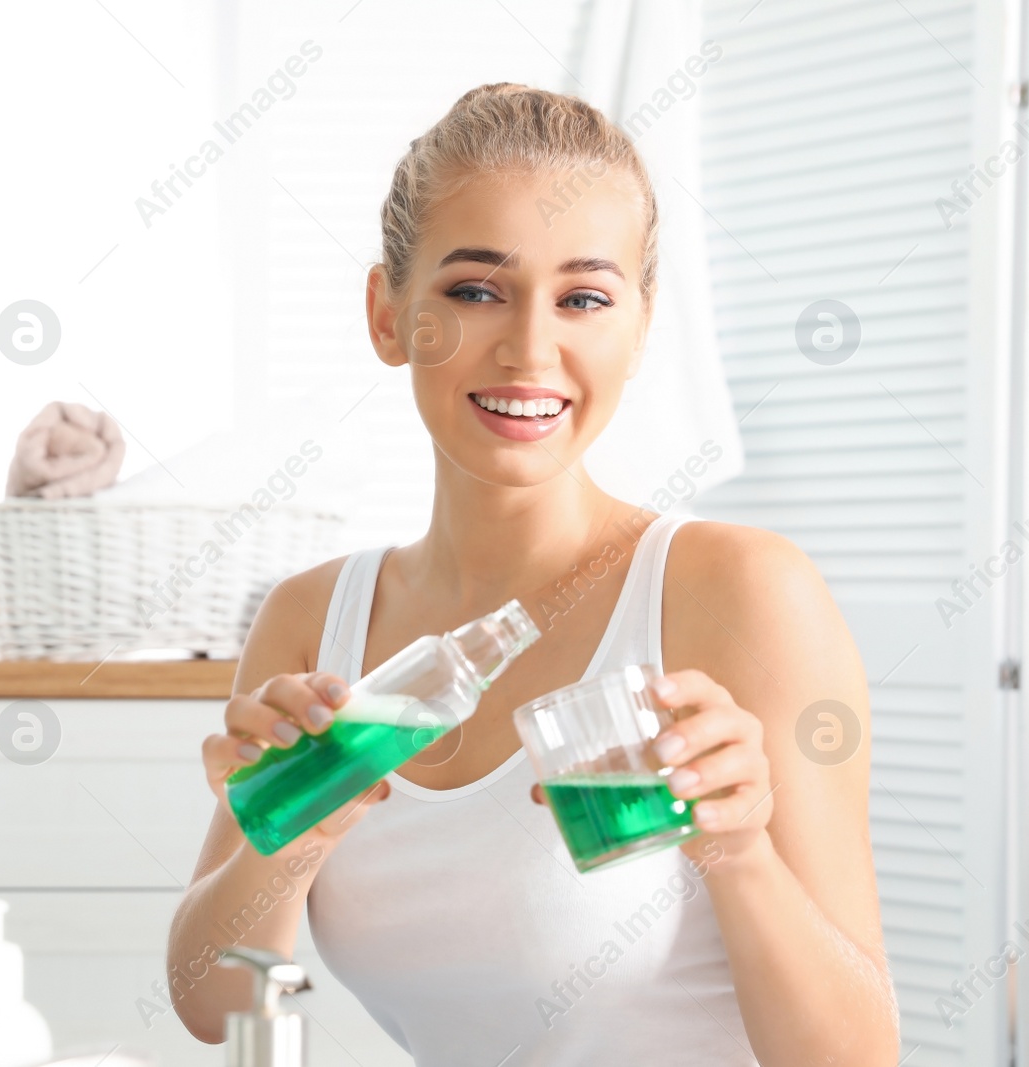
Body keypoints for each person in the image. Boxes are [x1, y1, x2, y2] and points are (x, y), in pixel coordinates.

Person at [166, 83, 899, 1066]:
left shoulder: (736, 589)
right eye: (475, 290)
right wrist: (291, 833)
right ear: (388, 313)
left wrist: (738, 848)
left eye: (583, 298)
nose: (528, 348)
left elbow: (856, 1055)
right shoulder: (313, 621)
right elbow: (210, 1000)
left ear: (639, 327)